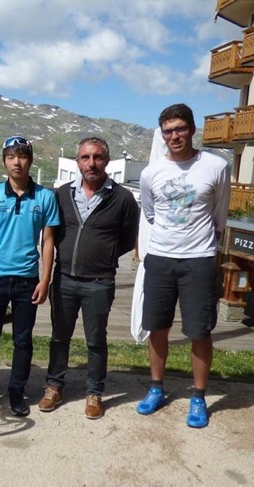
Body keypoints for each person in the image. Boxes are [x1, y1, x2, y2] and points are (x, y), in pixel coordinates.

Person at [136, 103, 230, 428]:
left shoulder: (216, 166)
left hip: (200, 259)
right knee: (157, 327)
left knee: (199, 331)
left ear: (192, 129)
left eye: (179, 129)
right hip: (160, 258)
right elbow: (150, 213)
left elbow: (220, 213)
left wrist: (205, 244)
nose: (174, 136)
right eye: (168, 131)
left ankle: (199, 396)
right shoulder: (151, 173)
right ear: (163, 135)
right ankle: (156, 388)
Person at [38, 137, 138, 419]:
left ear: (106, 161)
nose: (91, 163)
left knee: (96, 340)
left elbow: (129, 239)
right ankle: (54, 386)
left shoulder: (123, 198)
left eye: (97, 157)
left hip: (99, 282)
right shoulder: (61, 194)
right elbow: (51, 235)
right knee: (60, 337)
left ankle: (94, 392)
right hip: (64, 278)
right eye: (85, 157)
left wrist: (103, 256)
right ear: (77, 161)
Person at [0, 136, 59, 416]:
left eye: (22, 156)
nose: (17, 162)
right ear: (4, 161)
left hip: (27, 281)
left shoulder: (45, 197)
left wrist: (45, 280)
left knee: (23, 340)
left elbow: (48, 242)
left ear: (30, 161)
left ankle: (16, 391)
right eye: (11, 157)